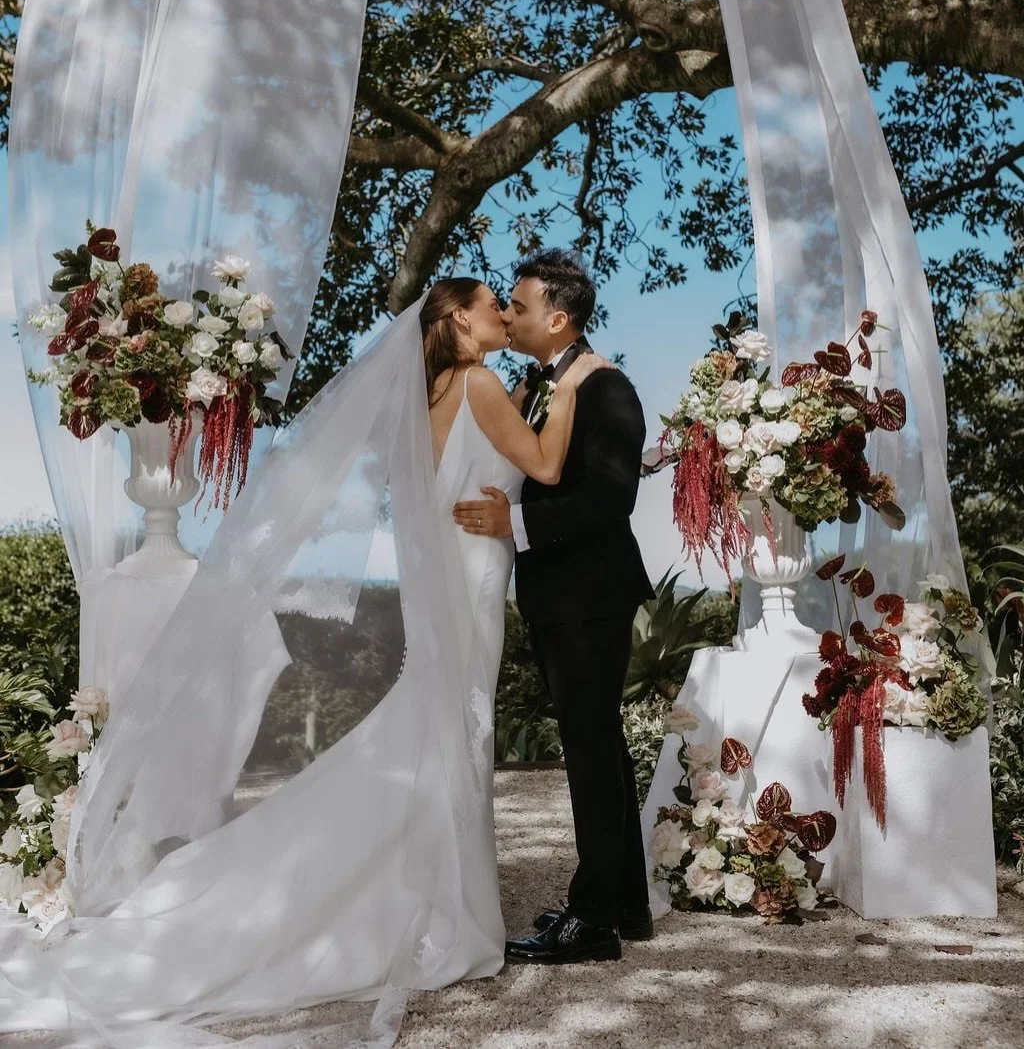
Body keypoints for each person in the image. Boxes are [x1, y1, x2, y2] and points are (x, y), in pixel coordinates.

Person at [0, 280, 610, 1043]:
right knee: (462, 724)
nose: (501, 315)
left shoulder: (441, 393)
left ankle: (440, 885)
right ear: (458, 321)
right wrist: (575, 382)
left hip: (460, 571)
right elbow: (548, 466)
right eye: (491, 304)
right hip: (475, 576)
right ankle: (447, 904)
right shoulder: (483, 381)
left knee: (448, 724)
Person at [453, 249, 654, 966]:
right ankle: (627, 904)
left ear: (558, 317)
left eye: (520, 304)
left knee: (592, 750)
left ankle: (593, 918)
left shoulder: (607, 388)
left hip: (591, 594)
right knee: (597, 746)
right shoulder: (537, 382)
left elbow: (610, 498)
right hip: (557, 596)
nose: (508, 313)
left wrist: (519, 525)